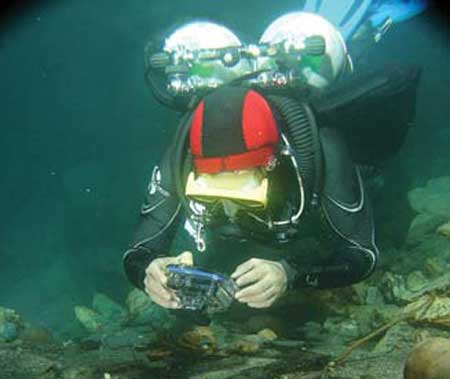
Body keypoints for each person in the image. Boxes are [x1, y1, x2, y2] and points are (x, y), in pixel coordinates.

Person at [123, 15, 420, 313]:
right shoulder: (182, 150)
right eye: (211, 183)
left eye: (242, 181)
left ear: (274, 160)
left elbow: (361, 254)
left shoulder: (324, 146)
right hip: (251, 234)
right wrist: (148, 271)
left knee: (386, 201)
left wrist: (289, 274)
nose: (228, 198)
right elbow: (141, 247)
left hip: (312, 215)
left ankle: (363, 34)